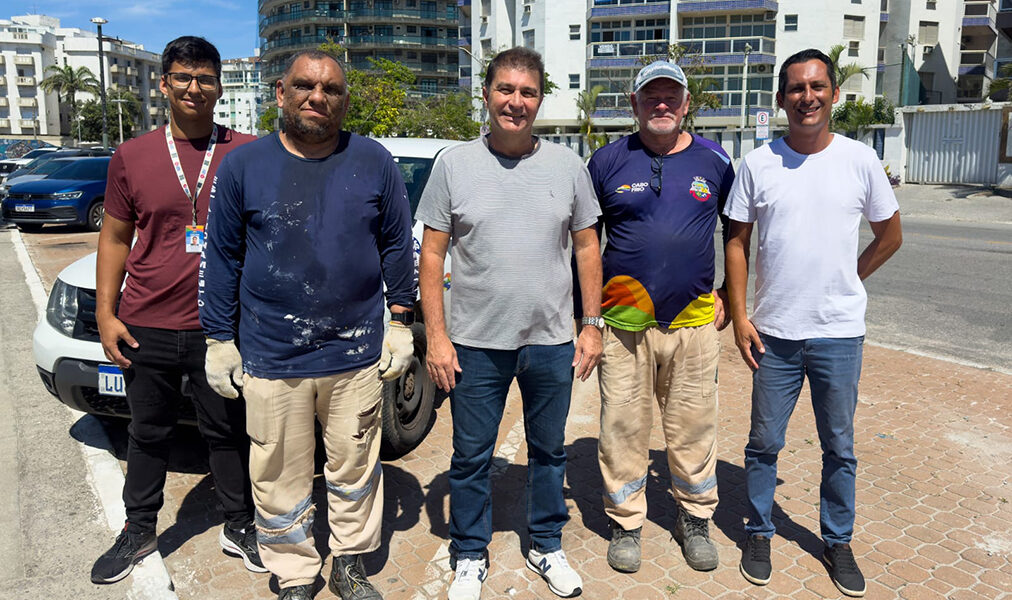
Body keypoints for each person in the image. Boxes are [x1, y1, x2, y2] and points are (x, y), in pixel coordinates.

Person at [199, 49, 416, 600]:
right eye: (304, 86)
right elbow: (221, 257)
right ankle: (295, 572)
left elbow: (397, 245)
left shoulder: (374, 161)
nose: (317, 97)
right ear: (281, 92)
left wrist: (400, 322)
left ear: (344, 101)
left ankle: (349, 563)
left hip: (357, 355)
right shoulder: (243, 167)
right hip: (272, 355)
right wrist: (219, 339)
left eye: (331, 90)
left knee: (356, 468)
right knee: (276, 474)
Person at [416, 47, 603, 600]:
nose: (515, 102)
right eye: (505, 90)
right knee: (470, 457)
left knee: (549, 452)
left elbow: (588, 247)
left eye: (527, 92)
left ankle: (546, 544)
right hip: (474, 342)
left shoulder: (568, 167)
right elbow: (432, 256)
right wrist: (437, 337)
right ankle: (470, 554)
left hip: (550, 342)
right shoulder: (454, 163)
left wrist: (591, 324)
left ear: (539, 100)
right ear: (487, 93)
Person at [724, 48, 902, 598]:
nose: (808, 97)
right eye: (797, 89)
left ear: (834, 94)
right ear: (781, 99)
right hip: (774, 333)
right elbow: (736, 241)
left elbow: (890, 235)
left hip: (839, 334)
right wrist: (738, 316)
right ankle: (759, 531)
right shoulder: (757, 164)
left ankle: (838, 539)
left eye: (817, 87)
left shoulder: (860, 161)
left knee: (839, 446)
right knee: (763, 443)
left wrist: (849, 277)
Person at [90, 36, 263, 585]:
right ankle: (139, 529)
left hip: (223, 330)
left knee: (228, 432)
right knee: (148, 433)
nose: (195, 87)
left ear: (219, 85)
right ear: (164, 84)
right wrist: (105, 313)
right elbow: (115, 237)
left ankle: (239, 524)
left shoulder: (248, 152)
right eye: (183, 77)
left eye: (205, 78)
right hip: (147, 324)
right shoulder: (133, 155)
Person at [587, 60, 733, 575]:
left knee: (694, 427)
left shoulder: (716, 161)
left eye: (672, 95)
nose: (662, 104)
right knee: (622, 427)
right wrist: (587, 318)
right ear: (635, 105)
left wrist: (729, 297)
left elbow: (738, 235)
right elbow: (586, 243)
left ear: (687, 103)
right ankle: (625, 522)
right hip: (624, 325)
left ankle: (694, 518)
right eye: (651, 96)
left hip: (695, 324)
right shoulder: (605, 162)